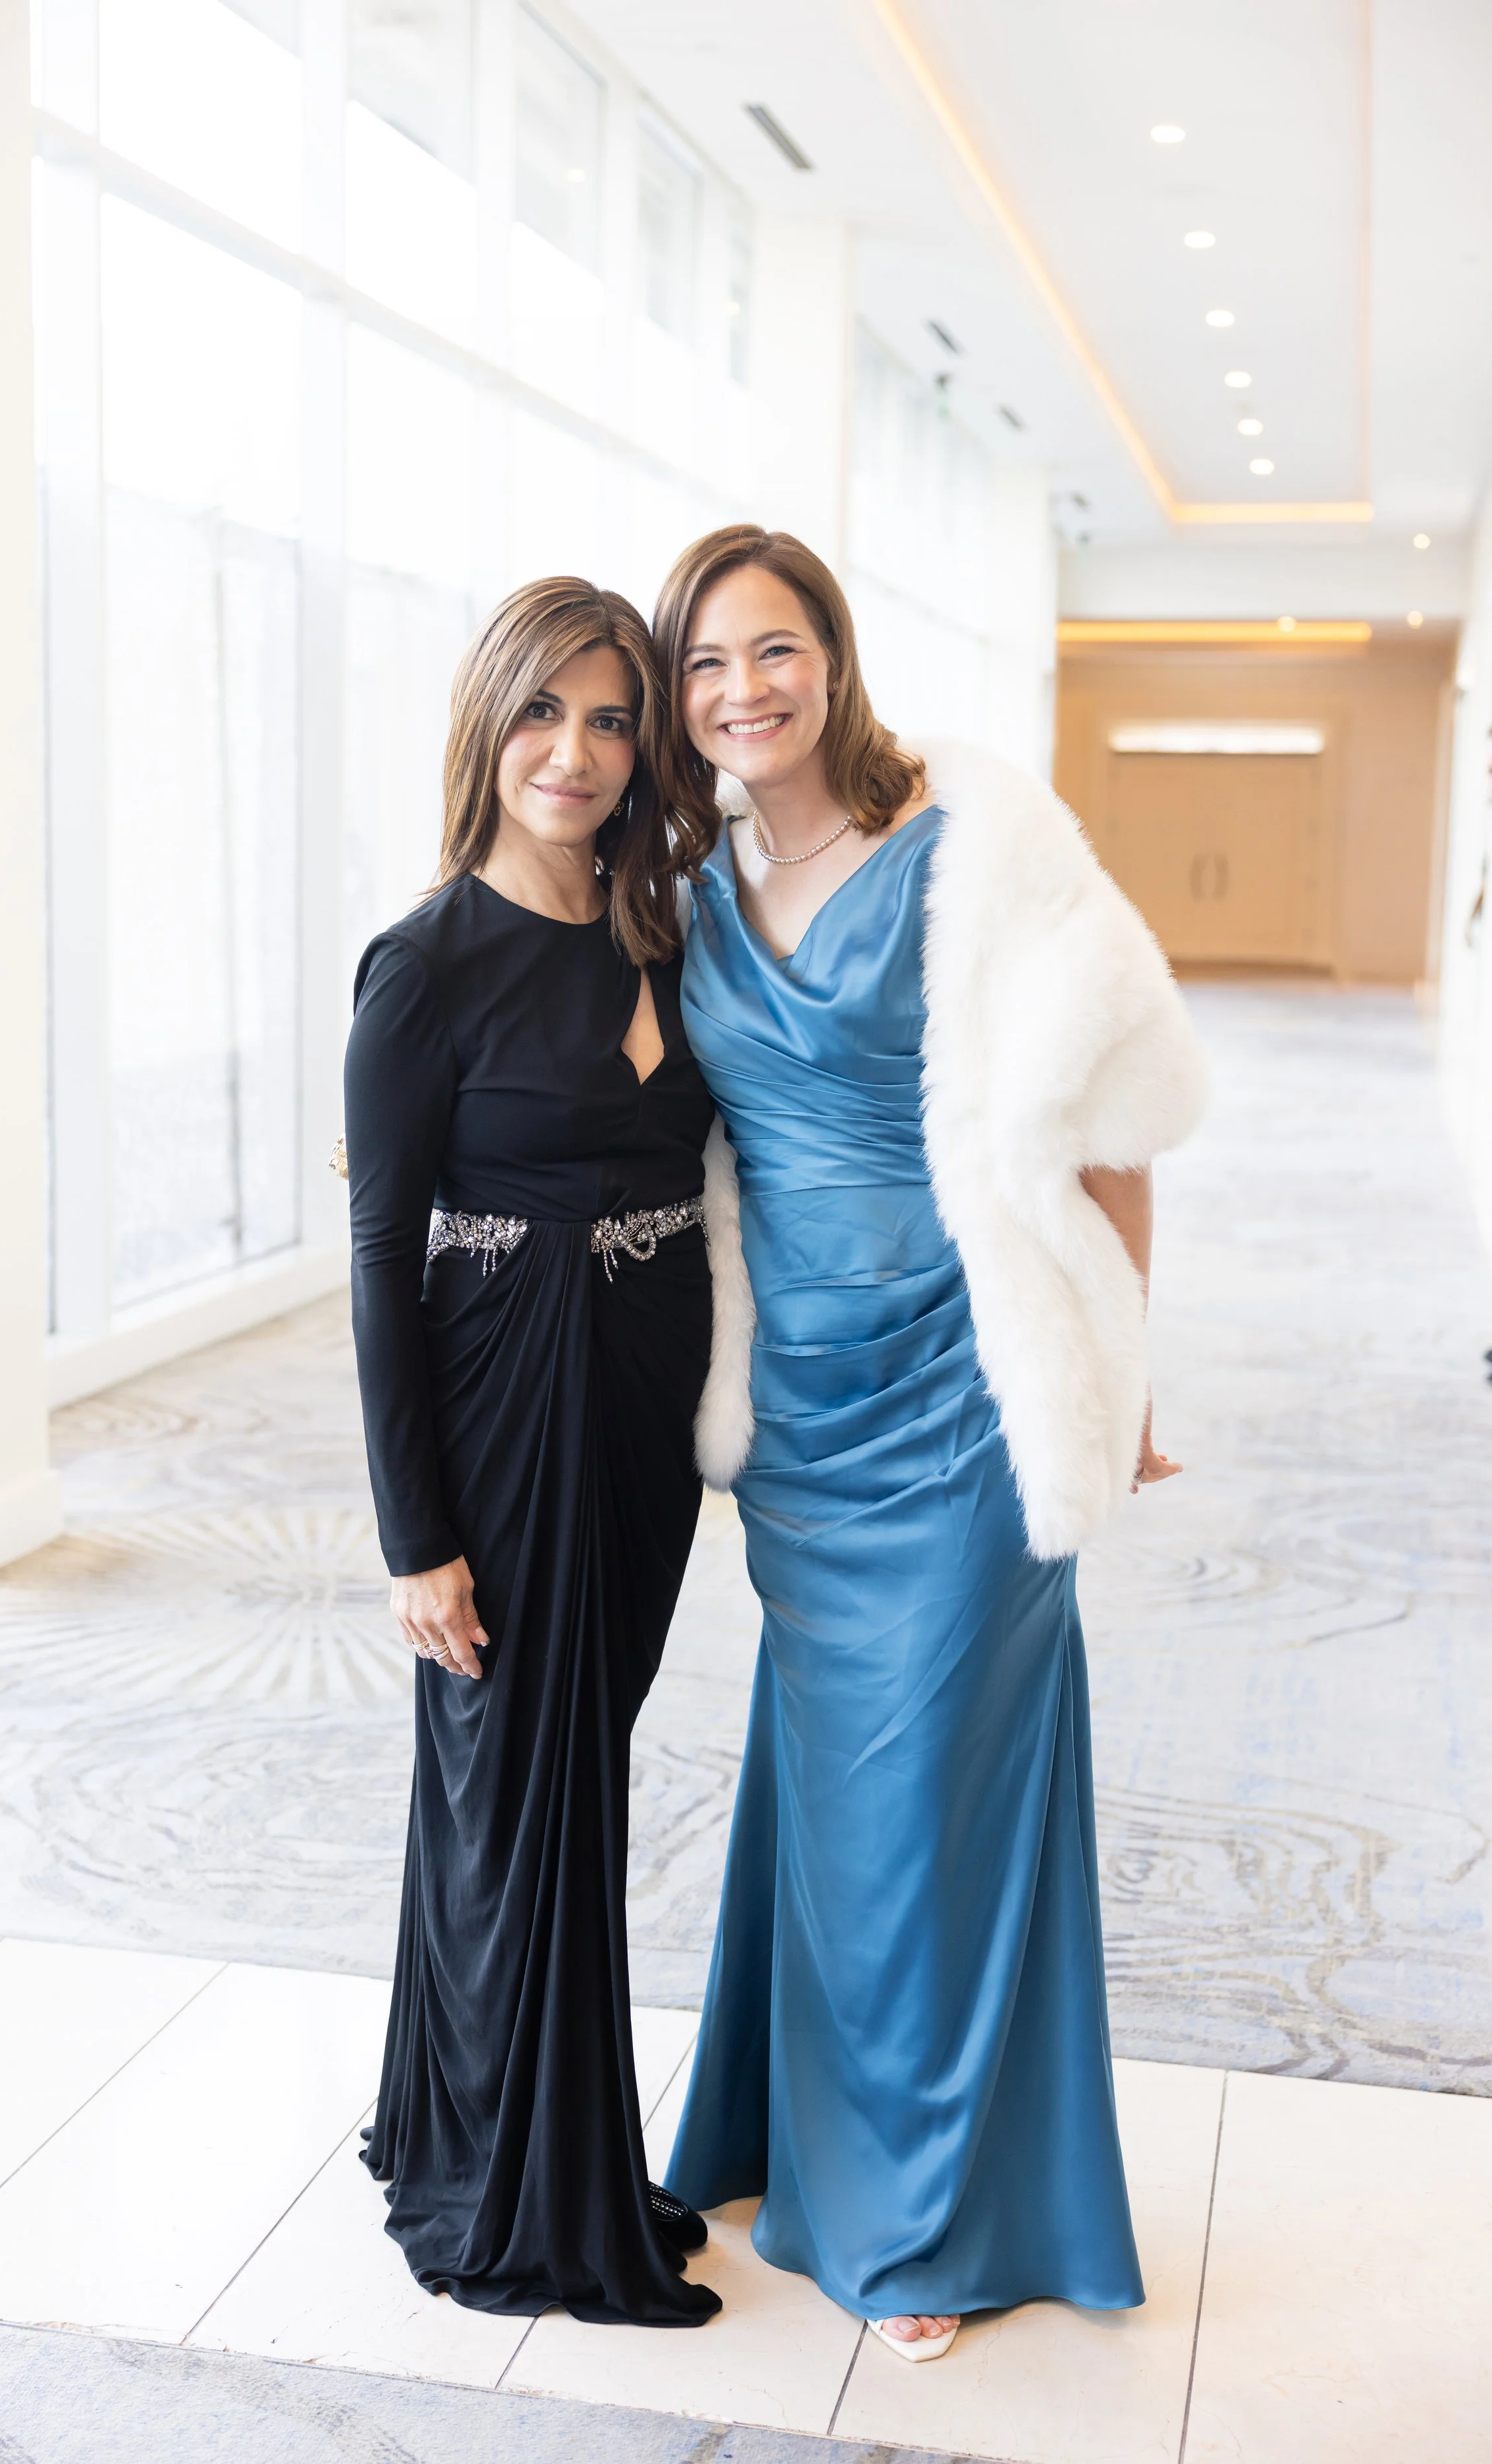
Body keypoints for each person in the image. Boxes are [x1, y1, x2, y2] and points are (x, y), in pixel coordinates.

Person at [655, 525, 1207, 2361]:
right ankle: (796, 2136)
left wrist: (1118, 1371)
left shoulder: (974, 850)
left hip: (967, 1401)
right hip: (803, 1423)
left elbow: (1110, 1116)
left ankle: (928, 2221)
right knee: (839, 1804)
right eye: (705, 662)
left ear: (832, 653)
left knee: (927, 1812)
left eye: (773, 647)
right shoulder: (694, 886)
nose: (743, 688)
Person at [343, 576, 719, 2327]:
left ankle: (489, 2117)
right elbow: (376, 1261)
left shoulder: (664, 928)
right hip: (506, 1403)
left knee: (573, 1776)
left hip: (642, 1405)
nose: (574, 751)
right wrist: (413, 1537)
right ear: (487, 725)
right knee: (515, 1787)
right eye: (543, 711)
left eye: (611, 717)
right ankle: (518, 2188)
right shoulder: (423, 968)